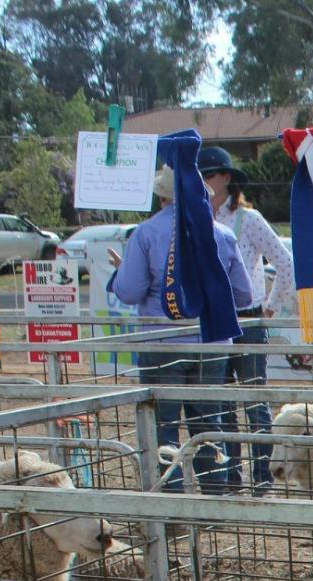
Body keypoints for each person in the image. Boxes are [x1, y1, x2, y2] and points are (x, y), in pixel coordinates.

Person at [110, 161, 254, 494]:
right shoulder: (222, 234)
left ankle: (172, 502)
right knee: (208, 425)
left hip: (163, 341)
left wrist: (121, 272)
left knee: (163, 427)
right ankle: (215, 497)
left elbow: (130, 291)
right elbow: (243, 294)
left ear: (162, 196)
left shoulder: (146, 234)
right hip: (211, 343)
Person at [200, 145, 294, 493]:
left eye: (210, 175)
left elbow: (285, 263)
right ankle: (232, 477)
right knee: (223, 402)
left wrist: (270, 307)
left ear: (226, 178)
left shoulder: (248, 219)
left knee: (255, 400)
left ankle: (263, 477)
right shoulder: (198, 218)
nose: (205, 182)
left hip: (248, 316)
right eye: (201, 176)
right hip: (215, 317)